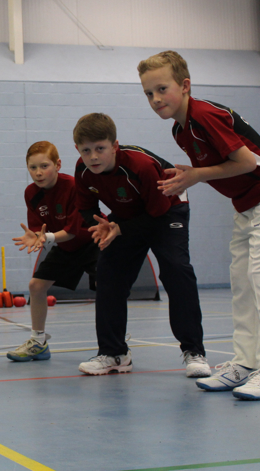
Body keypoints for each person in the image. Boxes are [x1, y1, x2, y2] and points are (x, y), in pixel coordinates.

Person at [139, 50, 260, 400]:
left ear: (185, 86)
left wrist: (196, 175)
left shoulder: (204, 115)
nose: (155, 99)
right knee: (242, 283)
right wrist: (191, 174)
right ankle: (246, 362)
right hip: (245, 204)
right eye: (148, 93)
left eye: (162, 89)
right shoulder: (180, 130)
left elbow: (246, 162)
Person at [72, 113, 210, 378]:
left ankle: (194, 351)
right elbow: (86, 207)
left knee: (176, 269)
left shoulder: (141, 166)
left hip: (168, 209)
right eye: (86, 150)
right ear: (78, 150)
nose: (93, 157)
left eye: (100, 148)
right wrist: (100, 224)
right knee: (108, 274)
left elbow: (157, 214)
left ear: (115, 146)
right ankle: (114, 353)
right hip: (128, 215)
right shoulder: (83, 170)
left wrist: (121, 228)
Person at [7, 141, 99, 362]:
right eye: (32, 167)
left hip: (93, 243)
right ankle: (38, 342)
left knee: (108, 288)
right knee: (36, 286)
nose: (38, 173)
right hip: (65, 246)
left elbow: (72, 231)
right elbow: (39, 229)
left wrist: (45, 238)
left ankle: (114, 345)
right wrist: (35, 235)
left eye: (44, 166)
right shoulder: (31, 193)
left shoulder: (73, 186)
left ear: (58, 165)